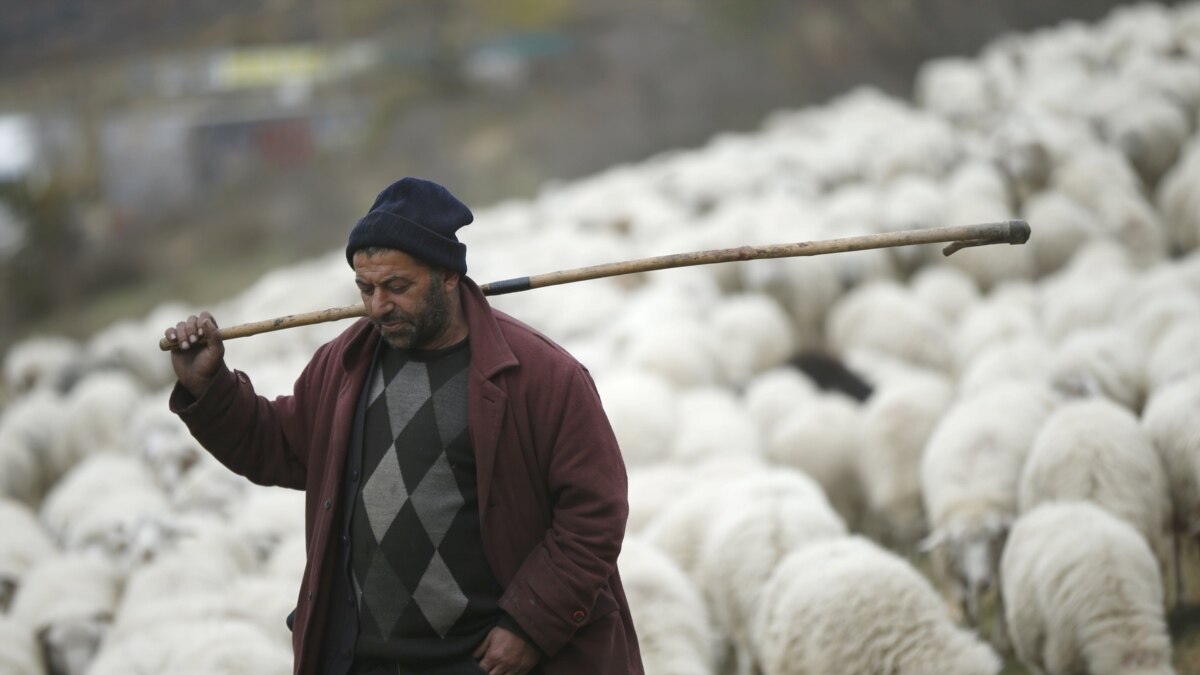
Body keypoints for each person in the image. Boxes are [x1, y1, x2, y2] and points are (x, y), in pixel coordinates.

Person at [165, 177, 643, 675]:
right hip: (365, 661)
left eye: (397, 287)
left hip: (485, 662)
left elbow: (595, 511)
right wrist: (211, 388)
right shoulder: (342, 365)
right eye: (366, 288)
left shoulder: (541, 377)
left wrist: (531, 624)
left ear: (448, 277)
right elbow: (279, 445)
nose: (377, 306)